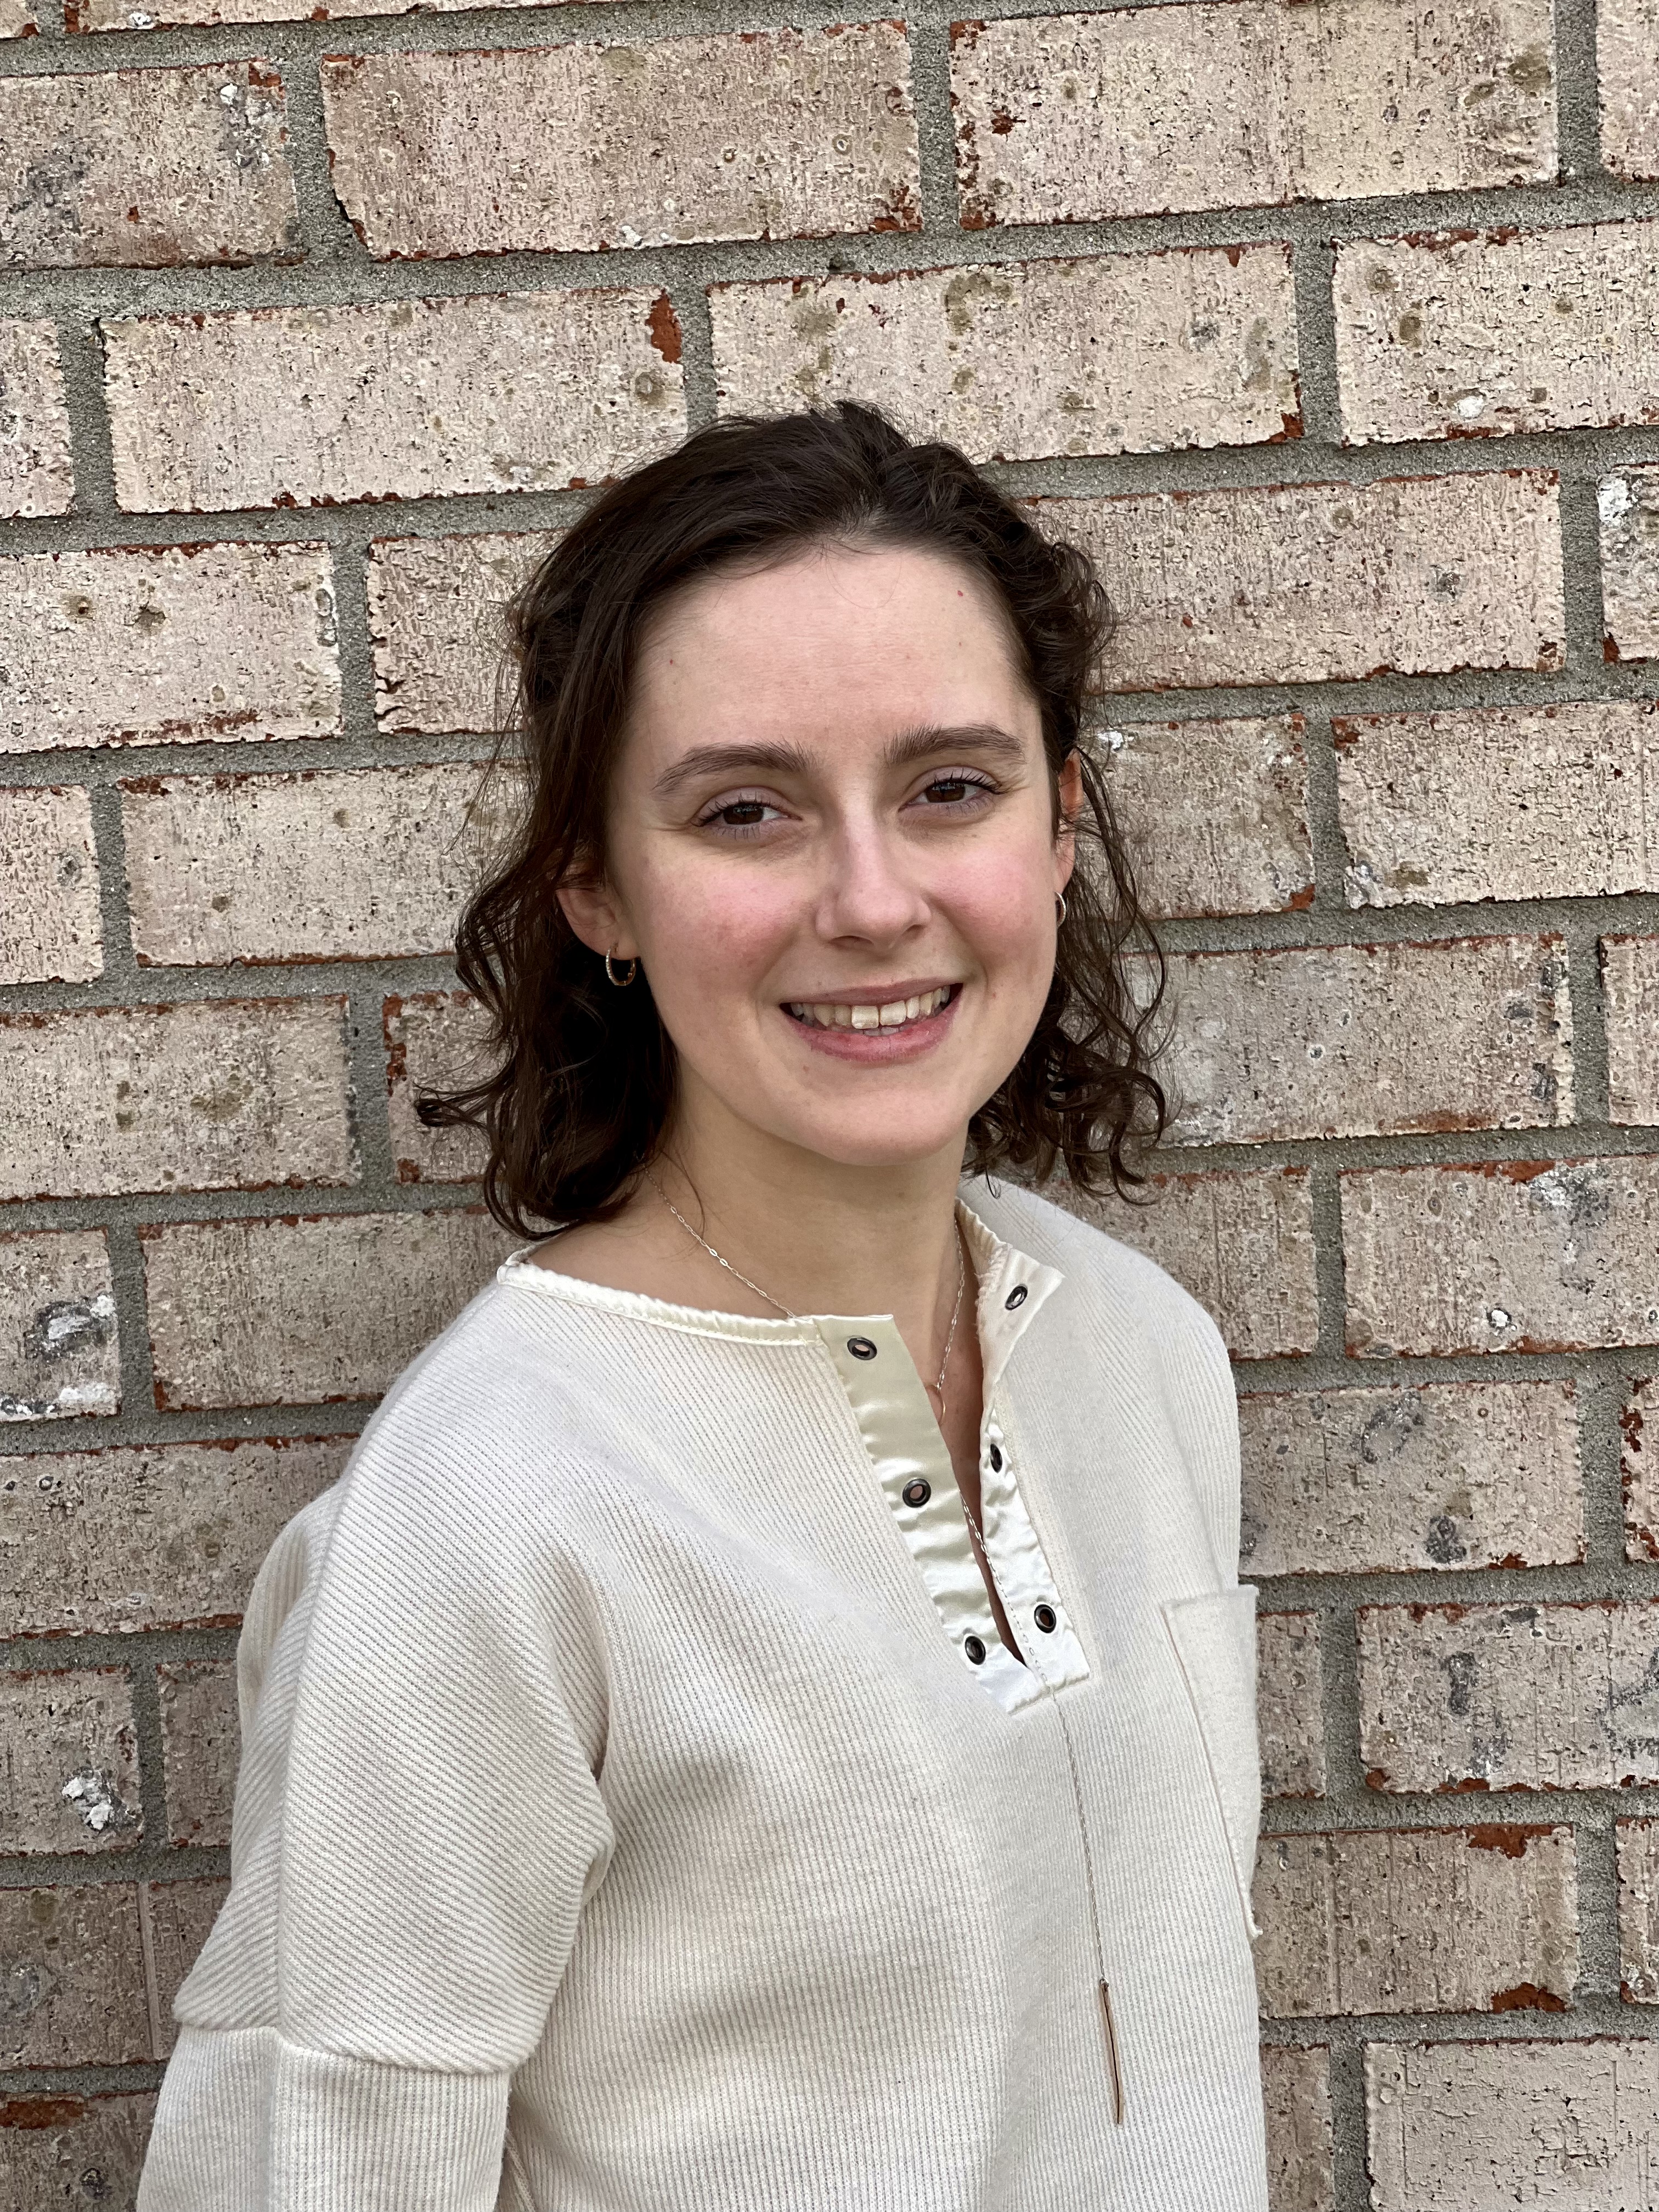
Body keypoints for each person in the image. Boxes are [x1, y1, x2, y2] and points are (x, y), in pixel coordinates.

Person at [137, 400, 1267, 2211]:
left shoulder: (1142, 1358)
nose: (872, 898)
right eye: (746, 811)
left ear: (1061, 826)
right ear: (597, 885)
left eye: (950, 788)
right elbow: (320, 2157)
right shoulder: (492, 1510)